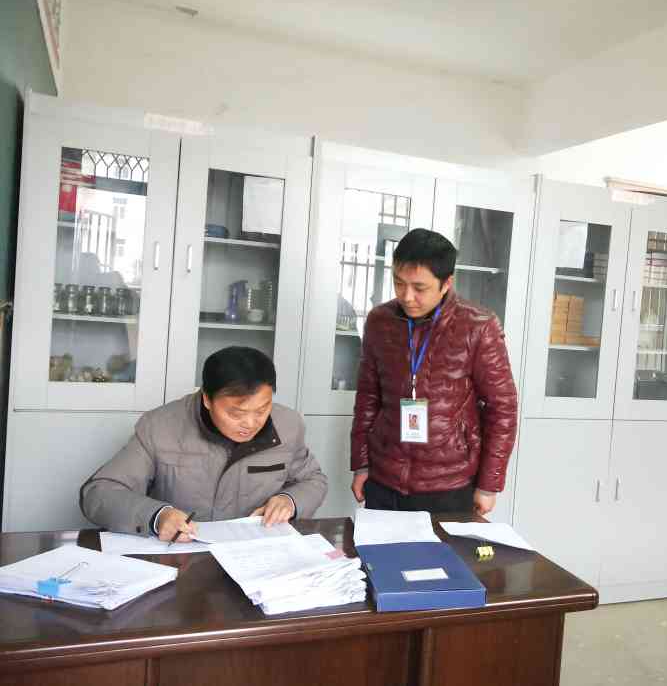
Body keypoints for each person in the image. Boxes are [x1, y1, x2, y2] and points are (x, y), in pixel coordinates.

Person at [80, 347, 328, 542]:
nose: (251, 423)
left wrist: (289, 500)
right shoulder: (160, 426)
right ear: (207, 399)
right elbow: (100, 493)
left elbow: (313, 480)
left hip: (254, 554)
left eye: (262, 409)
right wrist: (157, 516)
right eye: (236, 413)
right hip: (182, 557)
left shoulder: (288, 425)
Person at [350, 229, 518, 516]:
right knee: (380, 547)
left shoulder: (478, 326)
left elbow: (502, 407)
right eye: (399, 283)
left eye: (419, 287)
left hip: (450, 482)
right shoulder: (380, 321)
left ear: (446, 283)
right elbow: (368, 397)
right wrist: (362, 464)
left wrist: (489, 485)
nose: (407, 296)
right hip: (385, 477)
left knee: (442, 549)